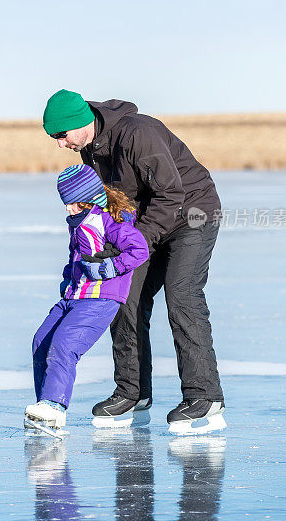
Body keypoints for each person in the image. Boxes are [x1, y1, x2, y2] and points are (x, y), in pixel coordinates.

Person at [42, 89, 226, 434]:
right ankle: (133, 392)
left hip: (192, 214)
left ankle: (205, 397)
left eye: (61, 135)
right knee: (124, 297)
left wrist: (138, 240)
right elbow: (116, 200)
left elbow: (171, 194)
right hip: (146, 222)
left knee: (182, 295)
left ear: (79, 123)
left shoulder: (138, 133)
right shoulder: (91, 148)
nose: (59, 144)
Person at [25, 164, 149, 430]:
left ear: (89, 198)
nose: (69, 209)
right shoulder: (78, 222)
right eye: (66, 204)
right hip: (73, 296)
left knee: (64, 344)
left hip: (100, 299)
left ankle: (54, 405)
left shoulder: (108, 221)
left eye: (73, 203)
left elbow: (139, 250)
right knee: (41, 342)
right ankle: (44, 407)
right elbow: (76, 258)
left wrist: (109, 267)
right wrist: (68, 278)